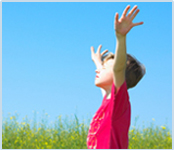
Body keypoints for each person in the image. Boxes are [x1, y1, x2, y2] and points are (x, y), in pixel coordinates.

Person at [87, 5, 145, 149]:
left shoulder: (118, 102)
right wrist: (98, 63)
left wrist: (120, 37)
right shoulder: (108, 100)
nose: (98, 71)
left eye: (105, 68)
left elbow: (118, 69)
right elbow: (110, 75)